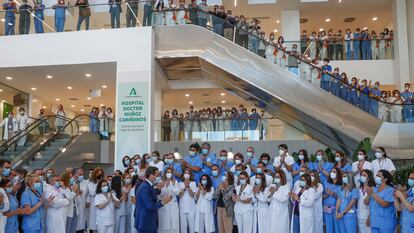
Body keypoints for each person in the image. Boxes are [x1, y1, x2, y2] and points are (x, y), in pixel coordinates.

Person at [135, 166, 172, 233]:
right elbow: (150, 206)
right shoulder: (144, 187)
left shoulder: (148, 185)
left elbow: (152, 192)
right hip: (145, 222)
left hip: (149, 221)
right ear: (151, 175)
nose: (158, 177)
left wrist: (159, 188)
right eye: (157, 175)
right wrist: (163, 202)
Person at [158, 167, 180, 233]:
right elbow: (160, 194)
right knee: (164, 223)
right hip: (164, 205)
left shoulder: (175, 181)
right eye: (167, 172)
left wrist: (172, 185)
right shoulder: (160, 182)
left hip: (173, 204)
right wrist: (165, 186)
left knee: (174, 223)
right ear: (164, 173)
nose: (169, 174)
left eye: (170, 172)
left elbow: (177, 192)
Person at [323, 167, 343, 233]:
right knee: (328, 229)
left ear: (338, 174)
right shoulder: (326, 182)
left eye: (334, 172)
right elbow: (321, 197)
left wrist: (333, 194)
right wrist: (327, 195)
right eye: (331, 171)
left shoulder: (341, 185)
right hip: (327, 209)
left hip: (336, 210)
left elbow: (341, 199)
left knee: (337, 229)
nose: (332, 173)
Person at [87, 167, 104, 232]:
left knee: (101, 225)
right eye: (98, 174)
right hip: (94, 204)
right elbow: (92, 193)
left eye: (101, 174)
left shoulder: (103, 182)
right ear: (95, 174)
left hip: (102, 204)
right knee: (94, 224)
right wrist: (98, 183)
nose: (99, 175)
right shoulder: (91, 183)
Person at [72, 168, 89, 232]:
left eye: (82, 174)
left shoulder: (86, 182)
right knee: (74, 225)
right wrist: (77, 192)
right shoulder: (71, 182)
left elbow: (88, 194)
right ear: (74, 174)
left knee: (81, 223)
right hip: (74, 206)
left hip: (82, 205)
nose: (81, 176)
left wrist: (88, 201)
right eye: (80, 174)